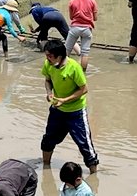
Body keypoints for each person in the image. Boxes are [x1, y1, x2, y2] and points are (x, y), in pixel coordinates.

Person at [39, 37, 100, 173]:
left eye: (50, 56)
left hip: (76, 112)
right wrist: (49, 93)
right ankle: (46, 168)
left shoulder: (74, 67)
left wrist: (65, 100)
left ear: (59, 56)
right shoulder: (48, 64)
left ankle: (94, 175)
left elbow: (84, 89)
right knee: (48, 139)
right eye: (46, 55)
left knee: (85, 145)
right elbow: (47, 80)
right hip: (57, 110)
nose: (47, 59)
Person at [66, 0, 98, 68]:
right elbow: (95, 18)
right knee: (85, 53)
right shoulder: (92, 1)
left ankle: (64, 69)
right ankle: (83, 72)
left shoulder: (72, 1)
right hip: (87, 29)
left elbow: (71, 17)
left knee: (67, 50)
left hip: (74, 28)